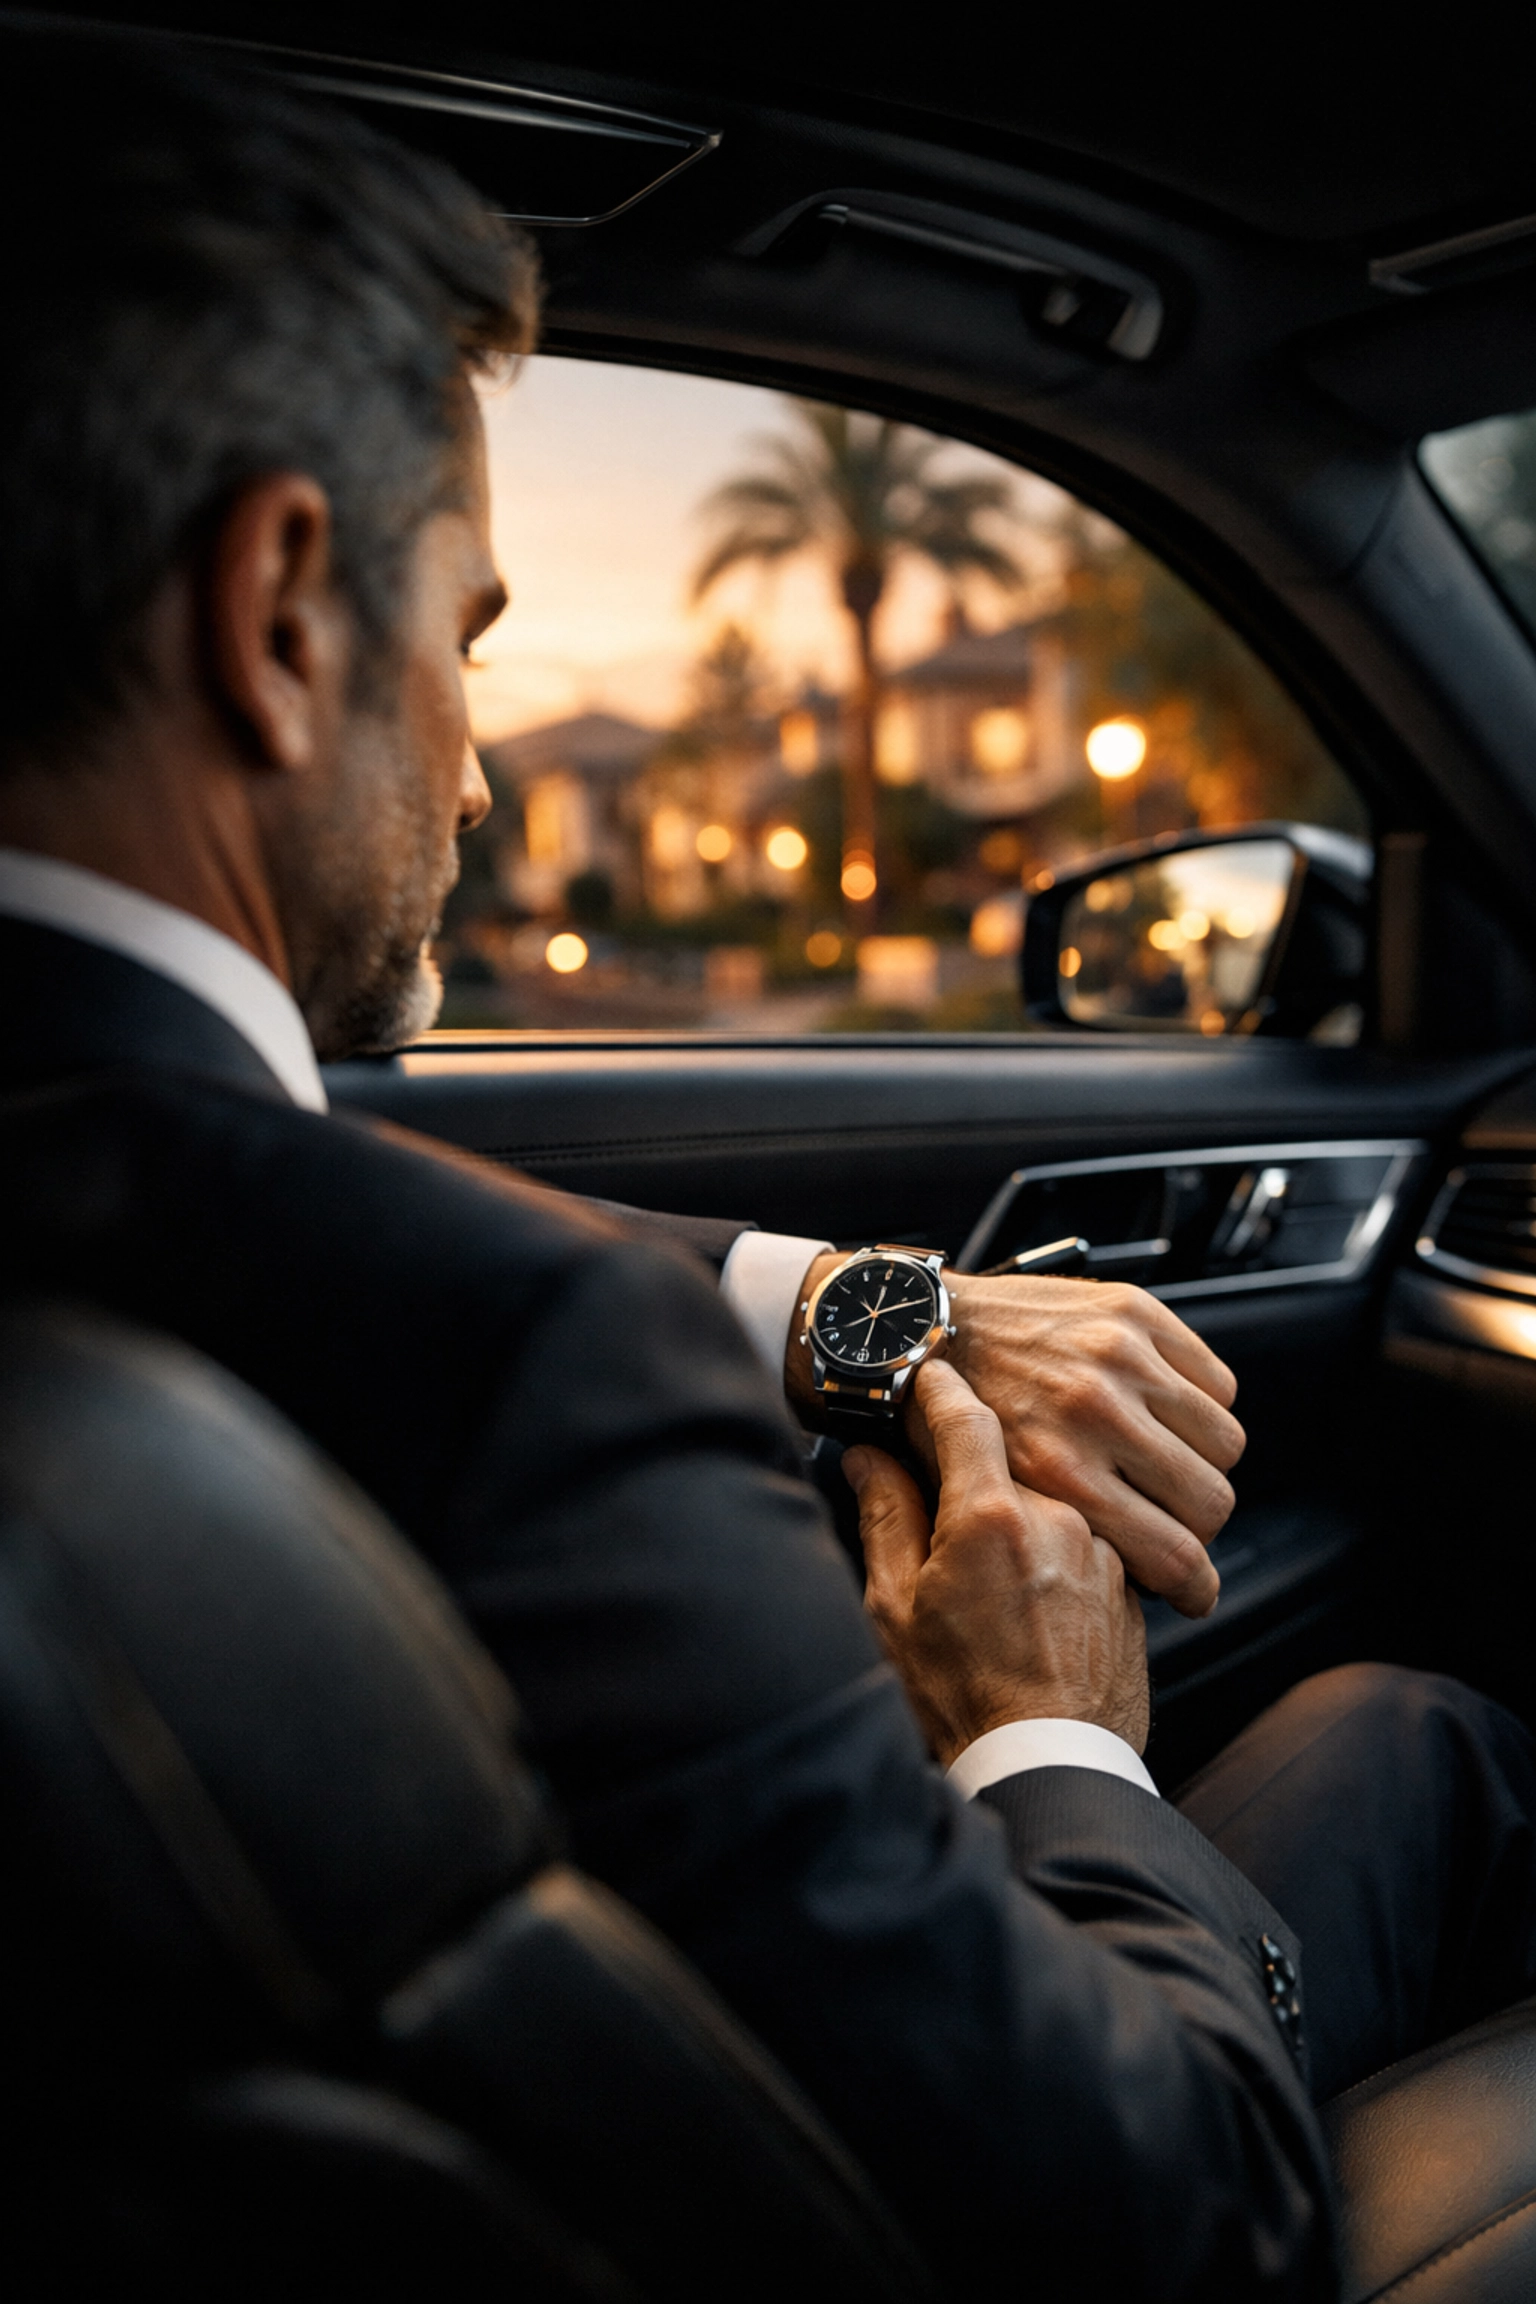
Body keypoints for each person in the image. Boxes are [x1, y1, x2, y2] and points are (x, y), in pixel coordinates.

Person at [0, 27, 1533, 2299]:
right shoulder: (541, 1382)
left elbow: (246, 1192)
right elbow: (1188, 2231)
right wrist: (1037, 1728)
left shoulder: (156, 1204)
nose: (489, 788)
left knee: (1401, 1726)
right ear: (284, 612)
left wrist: (840, 1304)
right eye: (466, 643)